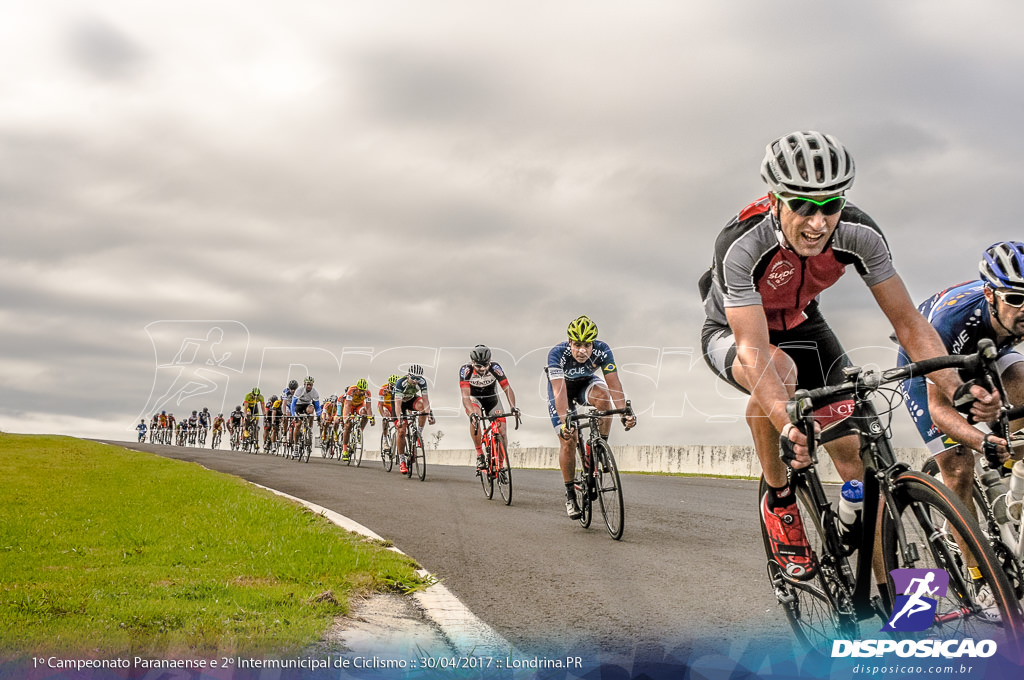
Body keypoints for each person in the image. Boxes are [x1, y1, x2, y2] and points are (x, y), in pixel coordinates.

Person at [698, 130, 1000, 582]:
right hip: (733, 332)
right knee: (779, 372)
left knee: (855, 455)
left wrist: (955, 388)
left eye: (830, 205)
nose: (818, 223)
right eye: (802, 205)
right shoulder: (742, 241)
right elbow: (754, 349)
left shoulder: (859, 232)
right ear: (775, 198)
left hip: (803, 325)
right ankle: (780, 501)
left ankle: (894, 603)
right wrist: (788, 424)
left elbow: (909, 323)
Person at [896, 241, 1024, 592]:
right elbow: (940, 409)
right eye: (1015, 298)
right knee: (958, 467)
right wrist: (984, 441)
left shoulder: (1012, 315)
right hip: (932, 357)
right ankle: (979, 578)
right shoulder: (950, 321)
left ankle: (1015, 486)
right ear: (990, 294)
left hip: (990, 350)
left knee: (1022, 387)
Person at [546, 315, 636, 520]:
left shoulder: (603, 350)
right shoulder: (557, 354)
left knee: (604, 398)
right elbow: (559, 393)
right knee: (569, 439)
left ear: (592, 344)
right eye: (577, 345)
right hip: (562, 390)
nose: (582, 350)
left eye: (587, 345)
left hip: (586, 384)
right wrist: (564, 424)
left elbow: (614, 384)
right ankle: (570, 495)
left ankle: (598, 446)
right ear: (570, 342)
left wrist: (624, 413)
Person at [459, 345, 519, 472]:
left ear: (490, 361)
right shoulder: (465, 370)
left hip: (492, 399)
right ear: (472, 362)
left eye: (485, 365)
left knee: (502, 432)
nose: (482, 369)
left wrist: (513, 407)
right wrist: (471, 414)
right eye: (478, 366)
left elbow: (507, 388)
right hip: (475, 399)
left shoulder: (495, 368)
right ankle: (480, 454)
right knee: (475, 416)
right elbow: (465, 396)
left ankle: (501, 465)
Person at [393, 365, 434, 474]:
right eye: (413, 378)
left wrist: (429, 414)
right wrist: (399, 419)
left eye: (418, 378)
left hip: (411, 400)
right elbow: (397, 405)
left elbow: (426, 400)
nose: (416, 381)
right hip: (400, 403)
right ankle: (402, 461)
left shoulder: (422, 382)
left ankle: (418, 435)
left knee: (423, 408)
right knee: (401, 431)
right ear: (408, 375)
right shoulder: (400, 383)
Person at [340, 379, 375, 462]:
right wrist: (348, 417)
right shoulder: (351, 390)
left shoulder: (368, 393)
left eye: (364, 390)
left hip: (359, 405)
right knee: (348, 426)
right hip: (350, 406)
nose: (362, 392)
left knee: (365, 413)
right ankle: (344, 450)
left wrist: (371, 418)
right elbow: (348, 405)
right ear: (357, 388)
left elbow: (368, 407)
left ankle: (360, 431)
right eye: (361, 390)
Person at [289, 376, 322, 453]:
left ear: (312, 385)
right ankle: (295, 446)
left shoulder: (314, 392)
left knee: (311, 410)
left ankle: (309, 428)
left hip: (307, 405)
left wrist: (319, 416)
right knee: (298, 424)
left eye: (310, 384)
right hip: (298, 405)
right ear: (304, 384)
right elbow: (293, 404)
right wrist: (293, 415)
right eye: (307, 384)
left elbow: (317, 406)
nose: (309, 386)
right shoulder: (299, 390)